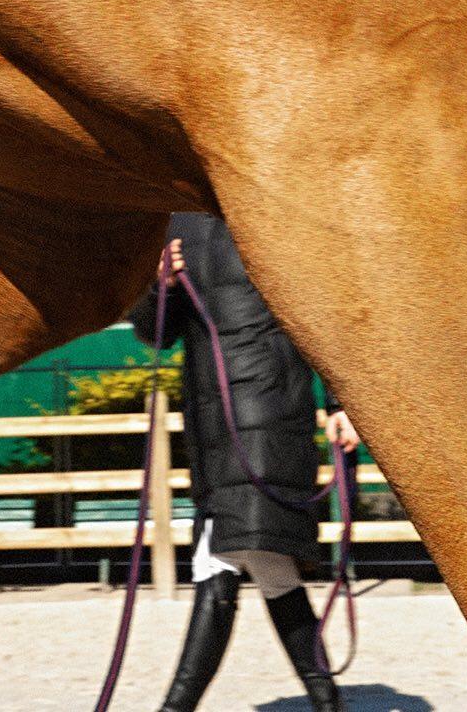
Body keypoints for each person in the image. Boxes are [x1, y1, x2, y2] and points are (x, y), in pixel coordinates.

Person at [130, 213, 359, 712]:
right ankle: (327, 701)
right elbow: (153, 334)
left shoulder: (275, 214)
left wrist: (343, 403)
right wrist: (160, 286)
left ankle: (175, 708)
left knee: (219, 560)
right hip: (210, 426)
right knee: (271, 567)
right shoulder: (174, 222)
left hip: (271, 412)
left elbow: (328, 316)